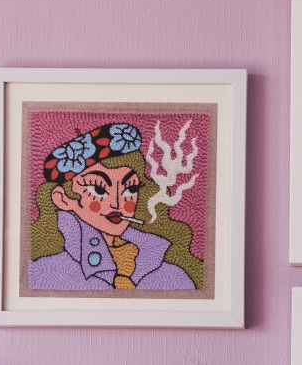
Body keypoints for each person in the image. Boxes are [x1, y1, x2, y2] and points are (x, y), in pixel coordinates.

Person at [25, 122, 201, 296]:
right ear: (63, 199)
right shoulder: (42, 274)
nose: (116, 204)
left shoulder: (173, 276)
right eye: (98, 189)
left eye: (130, 188)